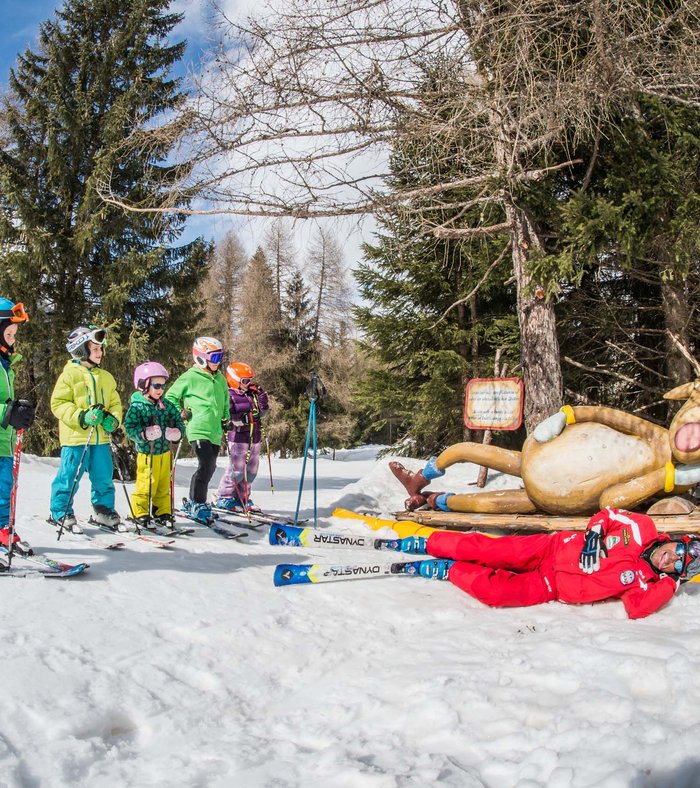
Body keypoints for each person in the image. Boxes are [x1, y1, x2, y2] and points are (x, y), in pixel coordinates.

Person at [392, 507, 698, 619]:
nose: (670, 558)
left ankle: (450, 569)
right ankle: (428, 543)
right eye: (676, 551)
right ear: (677, 541)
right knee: (489, 550)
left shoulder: (646, 583)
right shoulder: (643, 528)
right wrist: (593, 534)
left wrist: (673, 583)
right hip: (550, 549)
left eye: (677, 565)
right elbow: (609, 515)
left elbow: (637, 609)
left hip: (554, 586)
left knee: (498, 594)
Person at [48, 325, 122, 533]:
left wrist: (113, 420)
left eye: (101, 349)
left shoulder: (105, 377)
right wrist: (82, 416)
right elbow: (59, 404)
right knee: (70, 476)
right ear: (81, 350)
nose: (100, 353)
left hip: (100, 440)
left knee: (104, 476)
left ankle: (103, 509)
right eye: (96, 349)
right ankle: (60, 510)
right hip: (76, 438)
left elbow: (115, 403)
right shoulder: (69, 375)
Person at [165, 337, 228, 524]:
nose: (218, 362)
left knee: (211, 467)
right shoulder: (190, 376)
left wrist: (226, 419)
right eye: (215, 358)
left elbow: (225, 402)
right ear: (201, 357)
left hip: (215, 430)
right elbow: (171, 397)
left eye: (220, 358)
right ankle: (197, 502)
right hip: (197, 427)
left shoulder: (221, 379)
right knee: (206, 464)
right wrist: (181, 412)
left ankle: (198, 501)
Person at [122, 362, 186, 530]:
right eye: (156, 385)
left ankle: (162, 511)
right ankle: (139, 512)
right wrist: (143, 434)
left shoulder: (167, 405)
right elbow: (129, 427)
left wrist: (177, 432)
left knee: (164, 484)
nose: (160, 389)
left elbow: (179, 421)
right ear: (144, 384)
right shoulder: (138, 407)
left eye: (163, 386)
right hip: (146, 454)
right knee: (146, 483)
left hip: (165, 452)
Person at [0, 299, 35, 553]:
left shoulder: (5, 365)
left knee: (5, 488)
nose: (12, 339)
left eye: (14, 334)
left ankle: (3, 530)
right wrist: (7, 412)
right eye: (8, 333)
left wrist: (17, 411)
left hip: (4, 440)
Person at [214, 362, 270, 513]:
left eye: (250, 380)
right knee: (237, 470)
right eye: (245, 381)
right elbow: (228, 417)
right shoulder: (230, 395)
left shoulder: (252, 395)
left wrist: (261, 394)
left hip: (254, 436)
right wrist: (246, 418)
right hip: (238, 438)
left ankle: (243, 497)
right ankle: (223, 496)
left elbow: (263, 410)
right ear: (234, 380)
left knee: (251, 471)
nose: (248, 384)